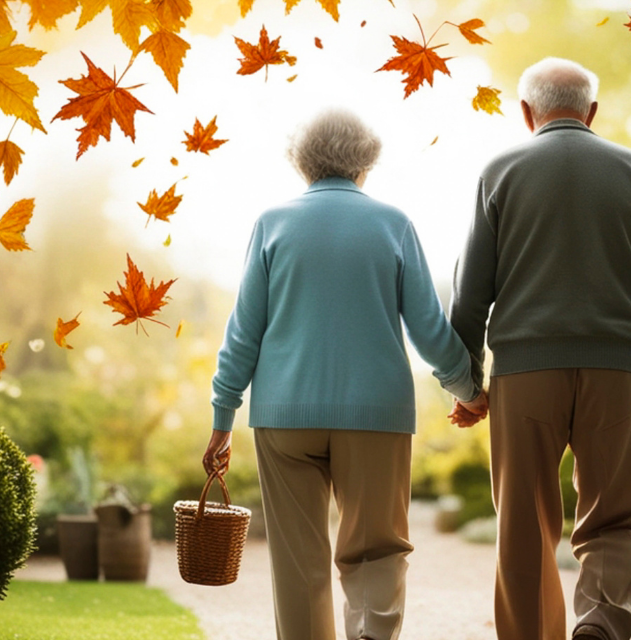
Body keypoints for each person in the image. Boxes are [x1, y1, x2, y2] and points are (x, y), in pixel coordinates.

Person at [203, 108, 488, 640]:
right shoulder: (392, 224)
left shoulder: (273, 224)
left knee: (298, 562)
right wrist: (467, 389)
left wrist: (223, 417)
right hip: (376, 415)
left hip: (284, 417)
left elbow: (243, 331)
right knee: (376, 550)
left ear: (302, 162)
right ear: (365, 162)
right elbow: (429, 327)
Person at [448, 57, 631, 640]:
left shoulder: (499, 171)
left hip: (524, 376)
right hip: (618, 372)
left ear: (526, 113)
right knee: (614, 514)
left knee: (524, 526)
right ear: (592, 113)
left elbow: (469, 294)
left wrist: (469, 385)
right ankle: (600, 621)